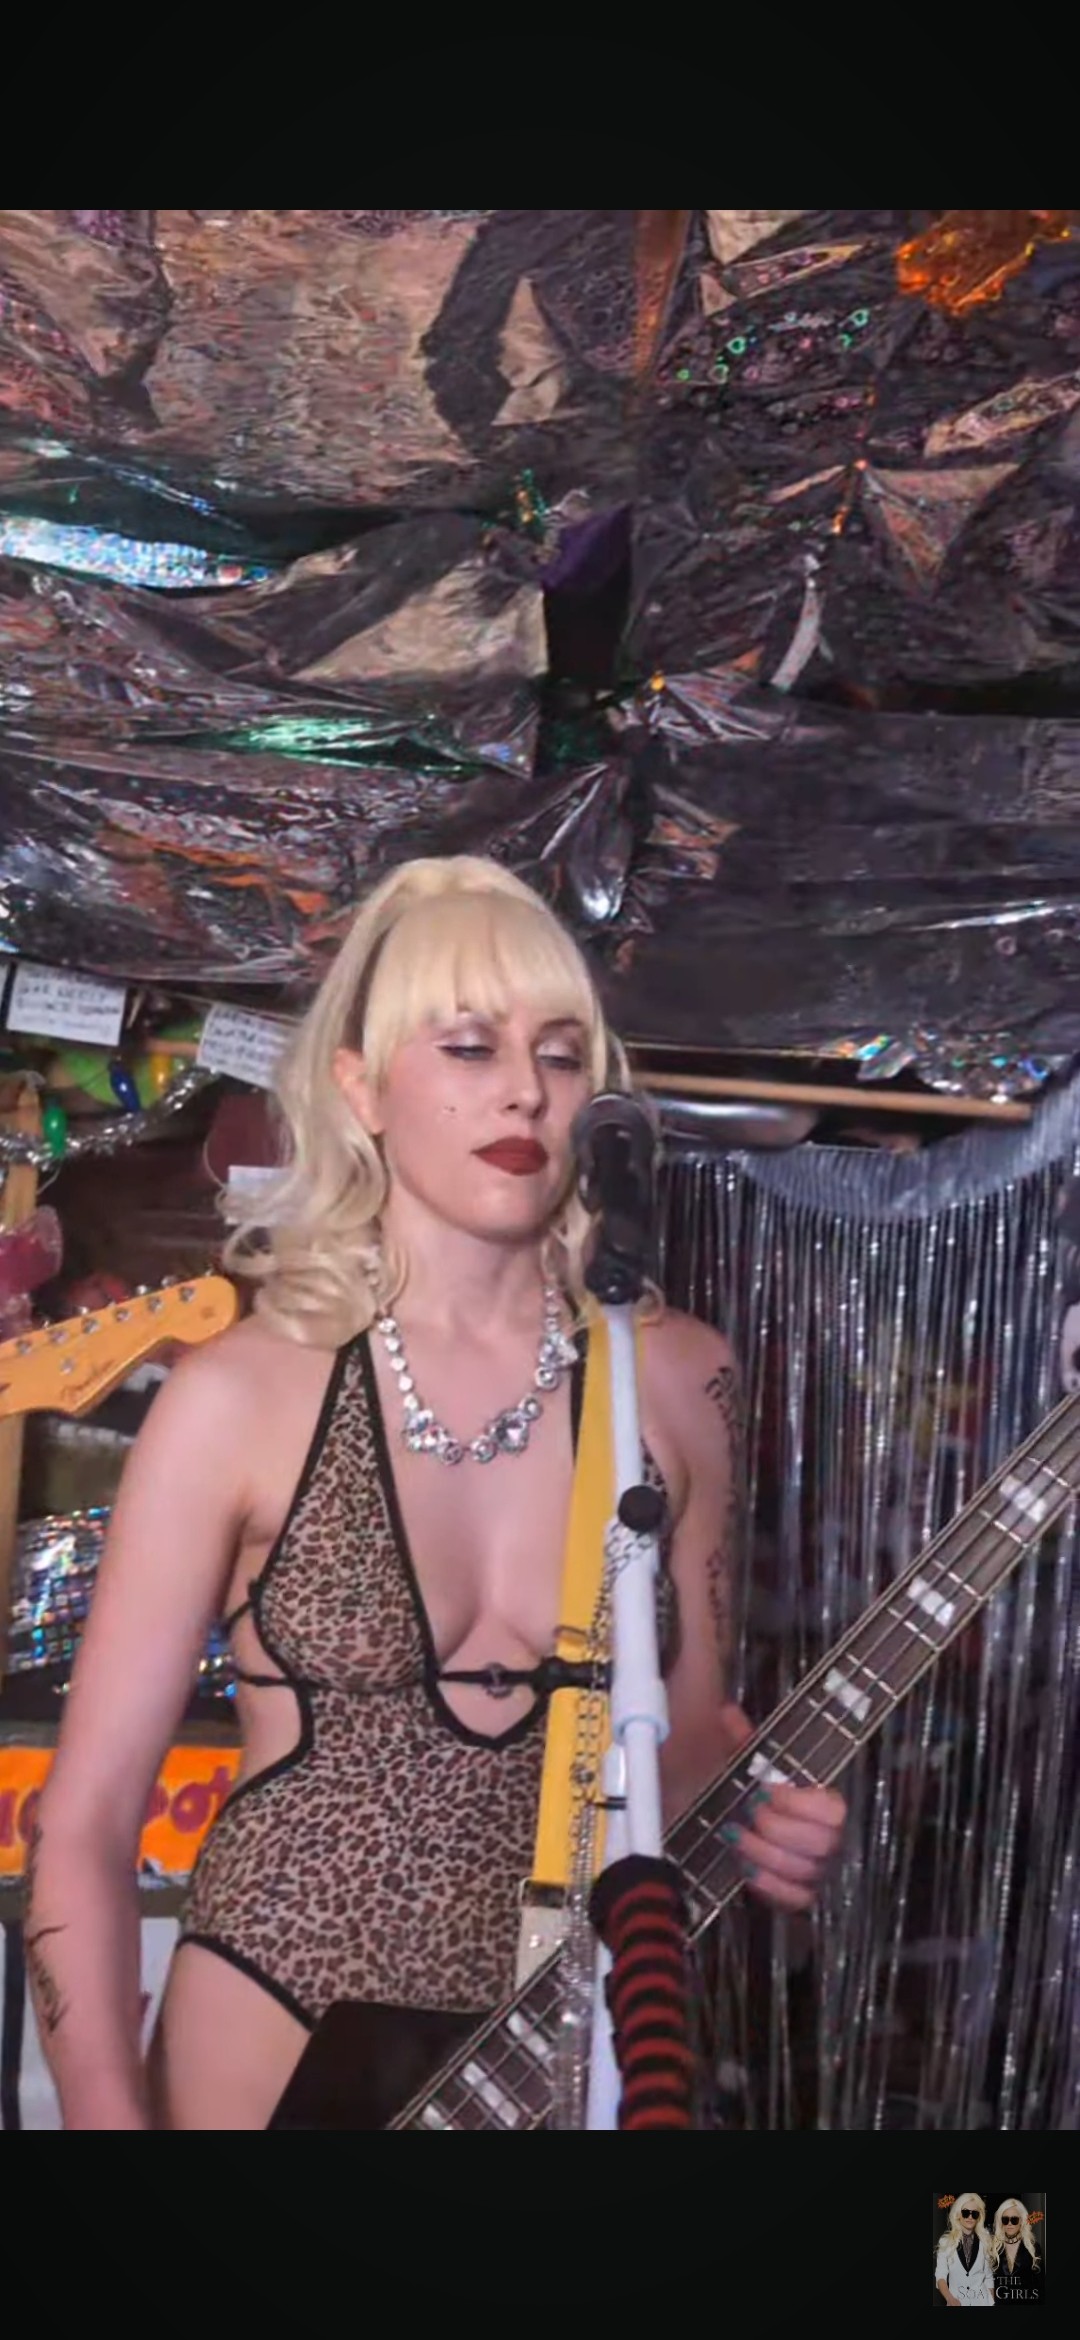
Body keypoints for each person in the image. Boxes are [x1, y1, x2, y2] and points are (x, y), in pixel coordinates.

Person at [24, 855, 846, 2131]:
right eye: (468, 1047)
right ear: (361, 1088)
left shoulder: (678, 1382)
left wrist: (763, 1827)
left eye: (561, 1055)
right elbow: (83, 1825)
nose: (524, 1088)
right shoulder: (242, 1394)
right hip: (270, 2026)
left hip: (561, 2046)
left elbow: (682, 1754)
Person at [936, 2197, 996, 2307]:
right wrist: (949, 2298)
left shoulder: (985, 2241)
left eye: (974, 2214)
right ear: (958, 2214)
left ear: (979, 2217)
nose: (970, 2217)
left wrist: (991, 2301)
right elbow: (940, 2276)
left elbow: (988, 2276)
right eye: (965, 2213)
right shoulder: (946, 2242)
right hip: (956, 2303)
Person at [989, 2202, 1042, 2303]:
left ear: (1021, 2221)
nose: (1009, 2223)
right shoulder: (992, 2248)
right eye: (1005, 2220)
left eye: (1014, 2220)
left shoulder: (1033, 2248)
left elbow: (1040, 2285)